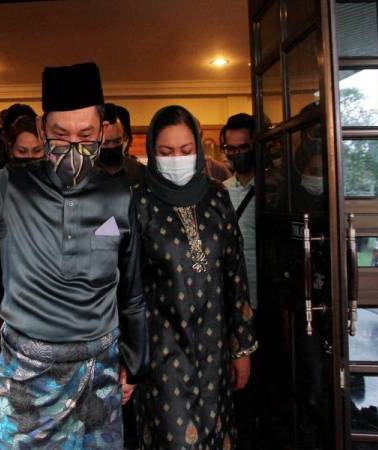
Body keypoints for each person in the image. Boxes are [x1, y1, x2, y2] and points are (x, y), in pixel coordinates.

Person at [0, 63, 148, 449]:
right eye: (60, 135)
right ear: (42, 129)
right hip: (25, 375)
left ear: (103, 129)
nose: (73, 146)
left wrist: (135, 363)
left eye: (85, 135)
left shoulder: (119, 195)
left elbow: (132, 290)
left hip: (98, 373)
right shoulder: (10, 185)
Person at [134, 105, 257, 449]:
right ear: (152, 153)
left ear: (199, 149)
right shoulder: (137, 202)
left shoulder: (217, 197)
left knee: (217, 434)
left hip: (214, 349)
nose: (177, 159)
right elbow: (116, 274)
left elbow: (234, 275)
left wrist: (242, 348)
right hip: (161, 352)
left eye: (185, 150)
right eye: (166, 152)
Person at [221, 113, 257, 310]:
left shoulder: (274, 190)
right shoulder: (221, 191)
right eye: (231, 148)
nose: (237, 153)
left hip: (267, 292)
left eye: (243, 147)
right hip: (233, 295)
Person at [96, 103, 145, 186]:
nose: (112, 146)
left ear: (124, 137)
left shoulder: (138, 171)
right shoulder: (83, 172)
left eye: (117, 141)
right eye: (105, 143)